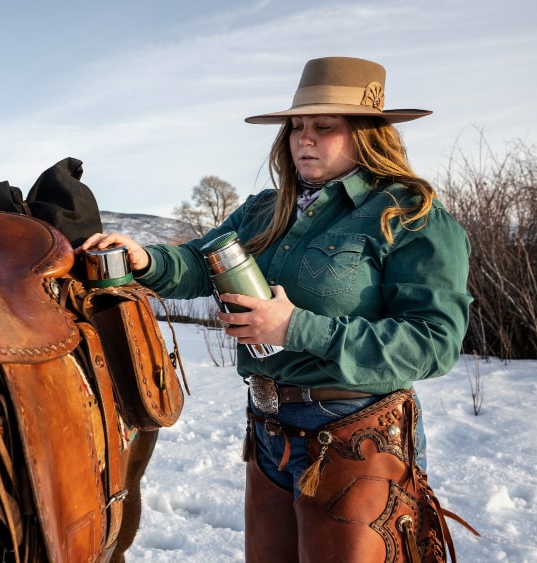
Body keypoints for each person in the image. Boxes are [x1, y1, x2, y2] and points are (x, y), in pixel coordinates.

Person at [81, 56, 474, 562]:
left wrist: (295, 328)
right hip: (269, 430)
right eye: (297, 127)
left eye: (324, 127)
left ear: (368, 134)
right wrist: (144, 259)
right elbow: (198, 264)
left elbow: (434, 343)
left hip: (355, 433)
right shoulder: (266, 208)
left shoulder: (410, 214)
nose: (304, 139)